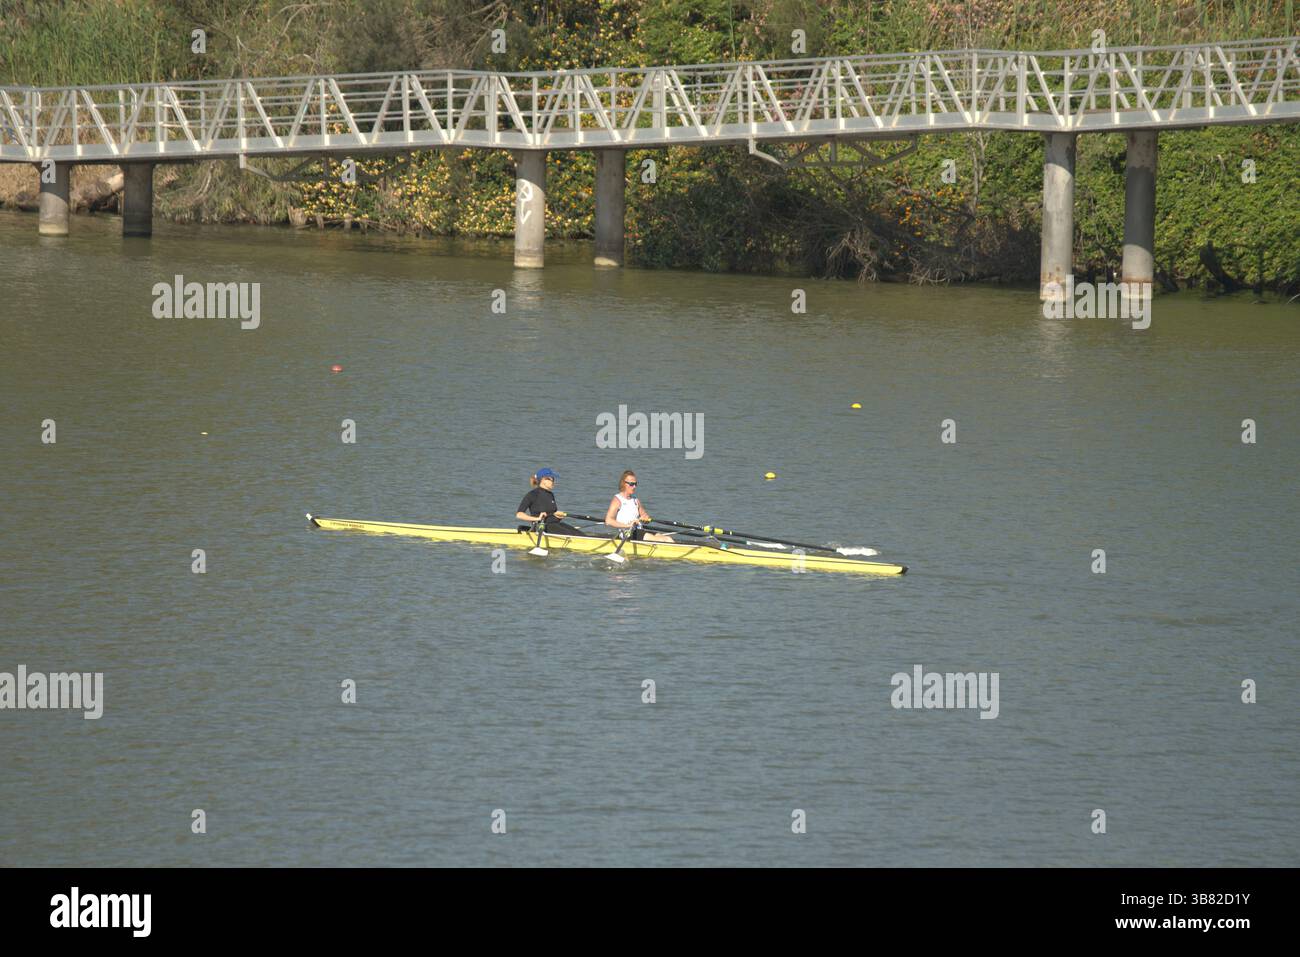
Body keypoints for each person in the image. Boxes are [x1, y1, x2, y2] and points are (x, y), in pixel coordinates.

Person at [604, 470, 674, 542]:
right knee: (663, 540)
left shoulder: (636, 500)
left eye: (635, 484)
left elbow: (645, 516)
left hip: (639, 531)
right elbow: (608, 520)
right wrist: (628, 525)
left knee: (669, 539)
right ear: (623, 483)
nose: (634, 486)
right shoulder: (617, 500)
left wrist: (646, 519)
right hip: (627, 533)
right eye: (631, 484)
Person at [516, 468, 586, 536]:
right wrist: (537, 518)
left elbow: (551, 513)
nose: (553, 482)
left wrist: (557, 515)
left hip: (555, 524)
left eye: (553, 480)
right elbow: (519, 514)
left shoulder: (550, 494)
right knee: (574, 535)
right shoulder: (532, 494)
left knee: (581, 534)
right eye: (551, 480)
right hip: (542, 527)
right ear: (542, 480)